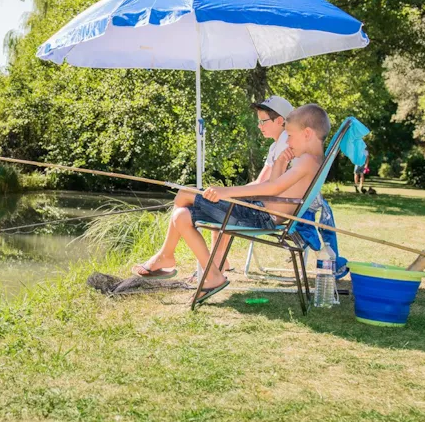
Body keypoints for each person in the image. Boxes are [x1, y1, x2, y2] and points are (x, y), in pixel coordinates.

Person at [132, 104, 332, 302]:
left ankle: (173, 259)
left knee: (185, 193)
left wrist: (225, 193)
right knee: (181, 216)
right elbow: (275, 187)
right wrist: (279, 164)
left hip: (260, 216)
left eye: (290, 135)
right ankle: (213, 276)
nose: (287, 141)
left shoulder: (307, 160)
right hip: (259, 213)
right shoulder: (312, 159)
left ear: (307, 133)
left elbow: (272, 190)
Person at [133, 95, 294, 277]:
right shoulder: (277, 146)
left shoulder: (287, 143)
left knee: (186, 193)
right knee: (187, 211)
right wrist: (229, 194)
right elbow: (260, 182)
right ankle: (218, 261)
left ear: (280, 120)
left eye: (263, 121)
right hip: (262, 208)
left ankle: (166, 255)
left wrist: (228, 193)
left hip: (263, 213)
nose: (259, 126)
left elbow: (269, 187)